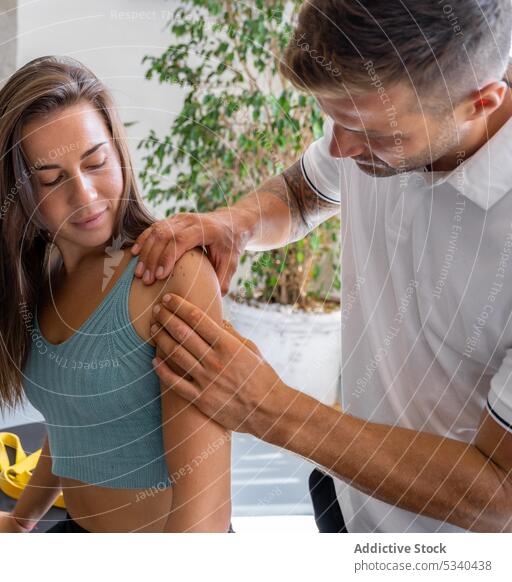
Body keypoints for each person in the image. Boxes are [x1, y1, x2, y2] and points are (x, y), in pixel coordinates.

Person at [137, 0, 512, 532]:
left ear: (481, 104)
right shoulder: (374, 124)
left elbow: (500, 493)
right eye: (333, 119)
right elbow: (304, 190)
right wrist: (237, 222)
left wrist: (268, 408)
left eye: (377, 136)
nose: (340, 147)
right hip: (344, 495)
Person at [0, 56, 232, 533]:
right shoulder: (45, 281)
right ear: (18, 194)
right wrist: (18, 522)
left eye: (96, 162)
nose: (87, 196)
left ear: (119, 152)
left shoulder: (172, 272)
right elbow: (76, 423)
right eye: (51, 180)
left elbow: (206, 512)